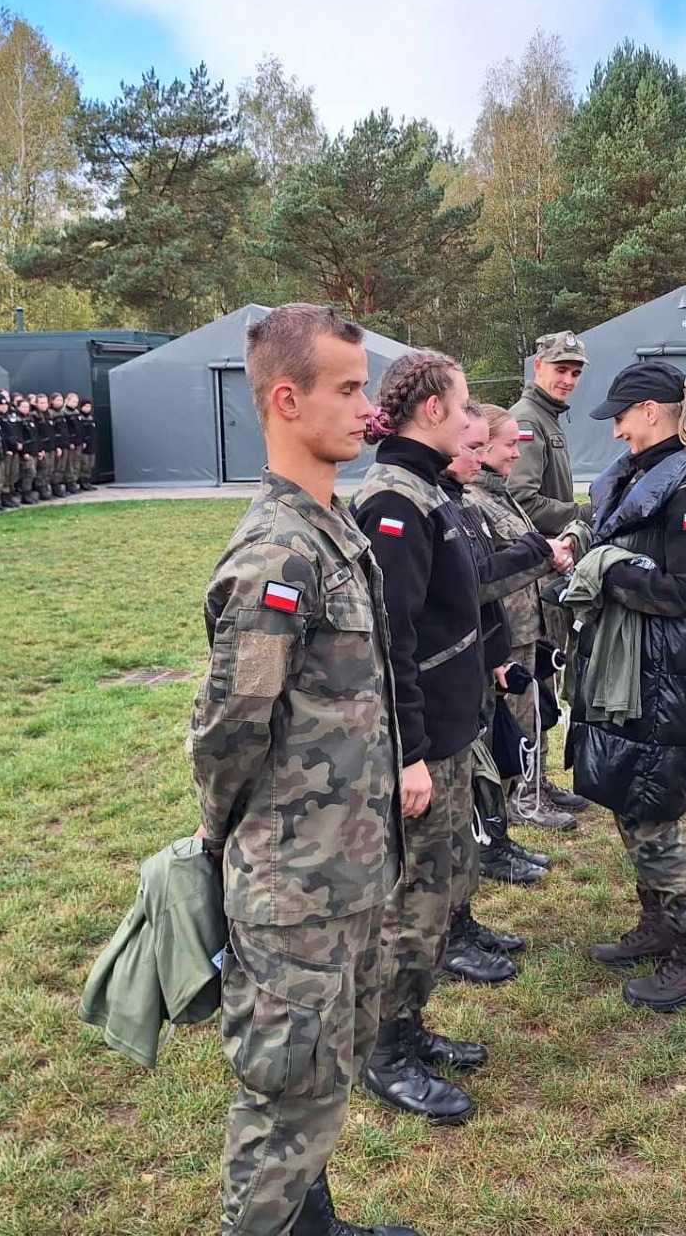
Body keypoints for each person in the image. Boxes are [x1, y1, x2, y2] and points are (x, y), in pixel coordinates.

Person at [188, 303, 419, 1236]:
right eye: (350, 389)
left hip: (348, 867)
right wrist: (221, 835)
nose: (369, 409)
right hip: (295, 885)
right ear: (287, 399)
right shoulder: (276, 556)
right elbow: (229, 728)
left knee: (324, 1075)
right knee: (286, 1097)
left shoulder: (331, 529)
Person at [355, 352, 551, 1127]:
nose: (474, 421)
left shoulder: (429, 491)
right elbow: (392, 640)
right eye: (465, 406)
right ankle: (385, 1050)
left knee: (439, 892)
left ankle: (410, 1024)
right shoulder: (393, 500)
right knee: (414, 903)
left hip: (449, 727)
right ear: (432, 409)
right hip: (423, 740)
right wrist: (407, 752)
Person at [571, 360, 686, 1012]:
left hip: (660, 678)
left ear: (650, 412)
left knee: (652, 816)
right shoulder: (640, 479)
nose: (615, 432)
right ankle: (661, 923)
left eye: (621, 417)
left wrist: (609, 572)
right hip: (629, 671)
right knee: (627, 796)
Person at [467, 404, 564, 880]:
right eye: (508, 445)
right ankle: (501, 826)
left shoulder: (501, 496)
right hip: (504, 636)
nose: (515, 454)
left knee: (528, 724)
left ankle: (514, 814)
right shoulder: (476, 502)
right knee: (505, 737)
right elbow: (492, 575)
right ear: (482, 446)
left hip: (526, 629)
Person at [506, 330, 595, 827]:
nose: (568, 379)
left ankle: (536, 779)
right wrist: (583, 514)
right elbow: (522, 500)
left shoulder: (546, 418)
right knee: (531, 684)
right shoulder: (527, 421)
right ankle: (524, 791)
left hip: (546, 571)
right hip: (534, 577)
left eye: (575, 372)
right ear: (537, 367)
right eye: (560, 369)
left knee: (545, 677)